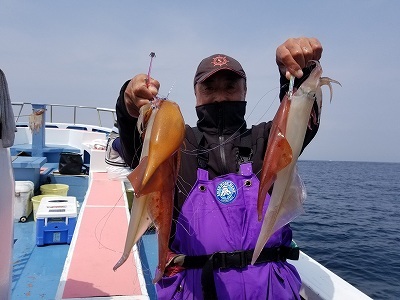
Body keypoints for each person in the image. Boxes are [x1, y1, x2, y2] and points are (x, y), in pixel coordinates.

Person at [115, 37, 323, 299]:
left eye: (230, 86)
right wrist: (128, 106)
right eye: (209, 88)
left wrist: (297, 73)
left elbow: (300, 120)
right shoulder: (177, 146)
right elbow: (137, 147)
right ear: (196, 94)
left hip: (270, 288)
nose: (220, 96)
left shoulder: (267, 141)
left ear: (245, 91)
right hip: (196, 288)